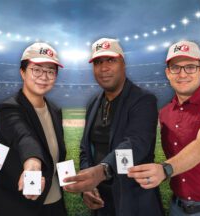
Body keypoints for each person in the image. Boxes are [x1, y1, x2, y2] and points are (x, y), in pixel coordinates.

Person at [128, 40, 200, 215]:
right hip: (179, 208)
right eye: (175, 68)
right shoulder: (165, 112)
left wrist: (165, 169)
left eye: (190, 67)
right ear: (168, 73)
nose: (182, 74)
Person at [63, 38, 164, 216]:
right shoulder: (94, 102)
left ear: (123, 63)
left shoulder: (143, 100)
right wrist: (89, 185)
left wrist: (104, 169)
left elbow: (135, 143)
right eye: (98, 62)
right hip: (101, 202)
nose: (104, 68)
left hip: (134, 202)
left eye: (111, 60)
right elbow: (86, 148)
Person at [0, 42, 67, 216]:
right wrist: (33, 165)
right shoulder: (8, 108)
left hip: (55, 203)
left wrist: (70, 178)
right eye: (36, 69)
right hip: (19, 206)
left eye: (50, 71)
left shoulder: (55, 110)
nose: (44, 77)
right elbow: (23, 137)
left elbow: (57, 152)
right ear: (22, 72)